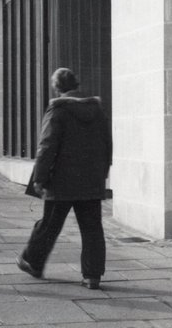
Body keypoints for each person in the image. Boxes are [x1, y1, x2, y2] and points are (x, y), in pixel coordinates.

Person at [18, 68, 112, 287]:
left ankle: (33, 261)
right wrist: (102, 173)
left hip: (61, 182)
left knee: (49, 225)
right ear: (76, 85)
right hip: (90, 180)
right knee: (92, 228)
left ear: (56, 87)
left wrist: (39, 178)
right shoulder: (96, 109)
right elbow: (107, 143)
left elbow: (47, 146)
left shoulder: (58, 110)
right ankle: (92, 275)